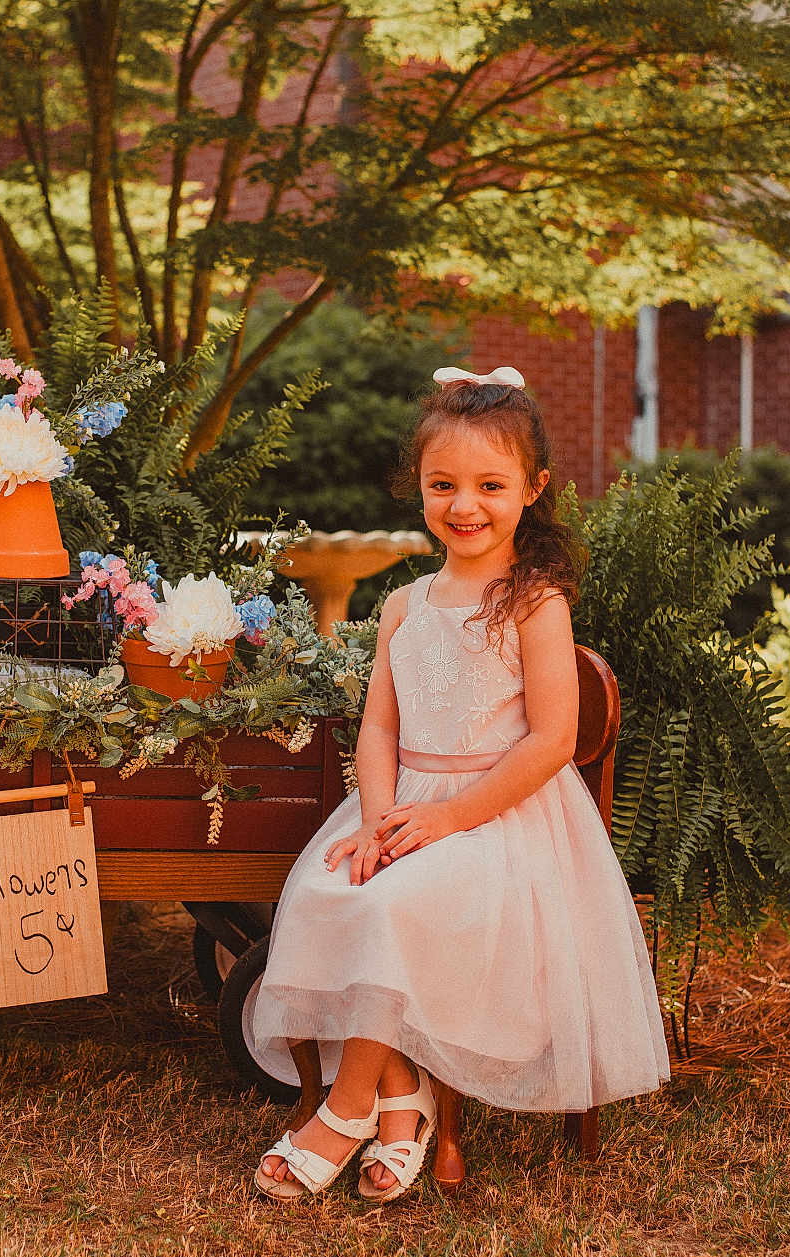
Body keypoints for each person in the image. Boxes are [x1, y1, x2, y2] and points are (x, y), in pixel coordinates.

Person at [251, 366, 669, 1204]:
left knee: (394, 906)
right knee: (338, 887)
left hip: (499, 821)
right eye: (443, 485)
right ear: (419, 488)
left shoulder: (534, 603)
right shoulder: (405, 605)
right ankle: (401, 1101)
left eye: (489, 485)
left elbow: (552, 741)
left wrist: (447, 822)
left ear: (532, 489)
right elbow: (379, 728)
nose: (463, 504)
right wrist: (376, 822)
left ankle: (344, 1106)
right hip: (403, 802)